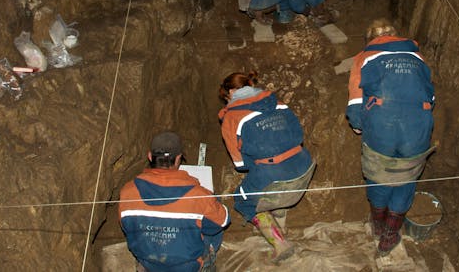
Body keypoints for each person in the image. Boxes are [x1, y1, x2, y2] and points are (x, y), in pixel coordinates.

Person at [346, 19, 436, 255]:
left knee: (379, 174)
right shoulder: (417, 57)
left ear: (370, 40)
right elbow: (430, 95)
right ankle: (390, 234)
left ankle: (377, 225)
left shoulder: (364, 57)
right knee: (405, 177)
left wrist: (358, 125)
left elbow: (355, 104)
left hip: (382, 124)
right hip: (418, 125)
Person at [218, 71, 314, 263]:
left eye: (226, 97)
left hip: (273, 173)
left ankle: (280, 243)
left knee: (242, 199)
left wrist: (259, 157)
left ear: (231, 92)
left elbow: (240, 165)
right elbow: (298, 135)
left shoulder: (231, 117)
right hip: (304, 164)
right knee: (273, 175)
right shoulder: (277, 102)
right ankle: (279, 212)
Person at [119, 131, 230, 272]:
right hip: (188, 266)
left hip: (149, 263)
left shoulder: (128, 191)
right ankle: (206, 264)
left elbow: (126, 226)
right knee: (213, 213)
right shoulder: (198, 196)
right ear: (178, 158)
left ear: (149, 156)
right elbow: (223, 221)